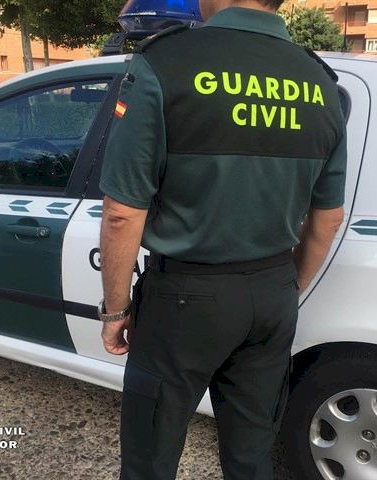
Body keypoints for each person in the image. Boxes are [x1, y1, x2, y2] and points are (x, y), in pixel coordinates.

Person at [97, 0, 347, 478]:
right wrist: (284, 289)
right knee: (251, 458)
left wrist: (115, 310)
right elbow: (328, 218)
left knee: (150, 458)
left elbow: (122, 213)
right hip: (273, 293)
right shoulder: (319, 80)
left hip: (184, 300)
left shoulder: (166, 61)